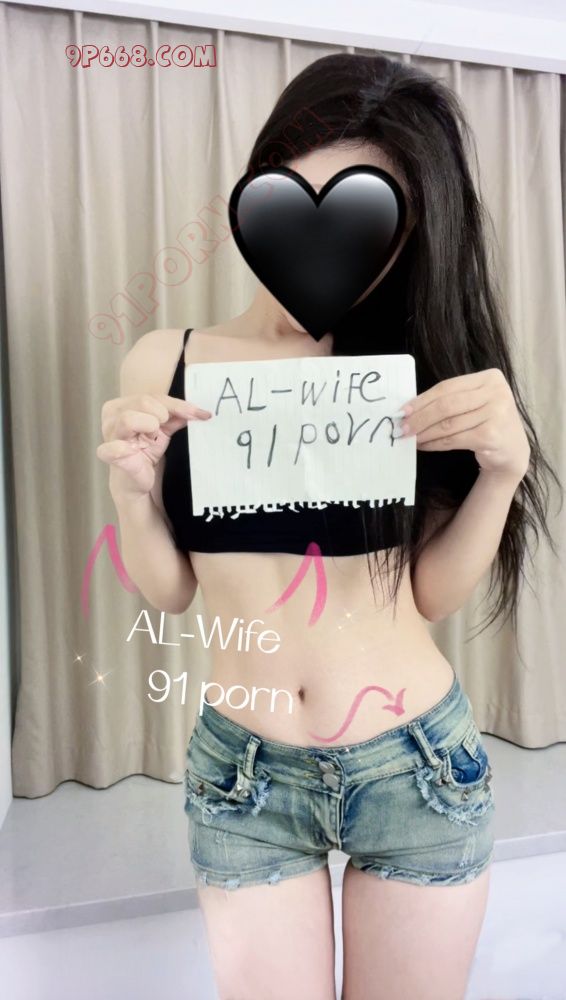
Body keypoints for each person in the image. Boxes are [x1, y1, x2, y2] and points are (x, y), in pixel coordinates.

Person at [97, 52, 559, 1000]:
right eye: (296, 197)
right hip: (244, 770)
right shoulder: (166, 361)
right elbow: (171, 591)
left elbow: (430, 594)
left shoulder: (413, 368)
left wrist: (502, 474)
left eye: (365, 217)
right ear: (255, 195)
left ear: (410, 231)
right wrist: (132, 494)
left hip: (414, 763)